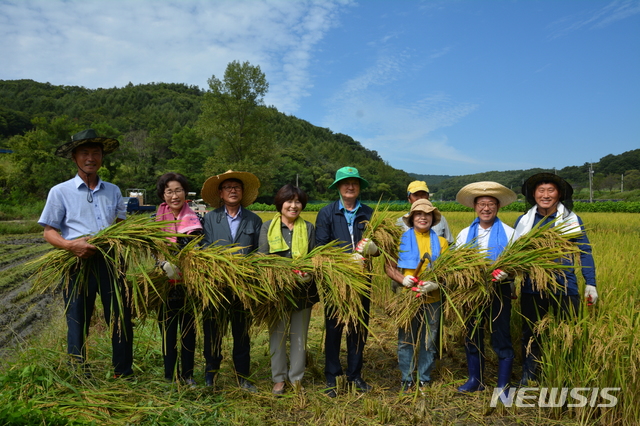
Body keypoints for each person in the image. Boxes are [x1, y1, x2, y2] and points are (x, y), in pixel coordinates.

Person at [38, 129, 134, 378]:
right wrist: (72, 246)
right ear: (74, 157)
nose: (90, 158)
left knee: (120, 316)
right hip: (76, 261)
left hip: (111, 261)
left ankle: (122, 372)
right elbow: (49, 232)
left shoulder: (113, 190)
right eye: (85, 153)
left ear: (102, 157)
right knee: (78, 317)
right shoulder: (60, 191)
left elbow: (121, 225)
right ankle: (78, 372)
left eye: (96, 153)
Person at [514, 173, 597, 386]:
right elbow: (513, 254)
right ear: (533, 195)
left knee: (568, 332)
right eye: (541, 191)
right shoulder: (524, 221)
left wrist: (590, 283)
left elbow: (584, 251)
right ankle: (530, 375)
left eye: (550, 190)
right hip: (532, 287)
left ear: (559, 194)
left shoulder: (571, 219)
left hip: (565, 287)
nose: (545, 195)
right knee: (531, 333)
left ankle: (566, 375)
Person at [315, 166, 379, 397]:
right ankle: (332, 376)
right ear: (338, 187)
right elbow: (321, 246)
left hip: (362, 281)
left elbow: (382, 246)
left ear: (359, 187)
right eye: (345, 183)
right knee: (334, 328)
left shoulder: (370, 213)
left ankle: (355, 375)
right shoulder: (327, 213)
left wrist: (374, 249)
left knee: (358, 329)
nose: (350, 186)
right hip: (336, 281)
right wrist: (345, 260)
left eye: (354, 182)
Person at [200, 170, 263, 392]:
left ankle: (242, 376)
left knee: (242, 332)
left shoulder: (254, 220)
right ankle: (211, 374)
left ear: (243, 192)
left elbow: (258, 253)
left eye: (237, 187)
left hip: (244, 288)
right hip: (216, 286)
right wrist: (222, 268)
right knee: (212, 330)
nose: (233, 190)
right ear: (220, 193)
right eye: (228, 187)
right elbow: (205, 247)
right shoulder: (209, 218)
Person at [454, 182, 517, 396]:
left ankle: (503, 385)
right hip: (472, 292)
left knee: (501, 335)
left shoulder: (510, 233)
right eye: (482, 204)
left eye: (490, 204)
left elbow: (519, 265)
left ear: (498, 207)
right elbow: (456, 263)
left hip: (500, 291)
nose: (486, 208)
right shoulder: (464, 235)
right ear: (475, 207)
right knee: (472, 334)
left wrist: (509, 273)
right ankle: (476, 379)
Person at [257, 184, 317, 395]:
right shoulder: (267, 227)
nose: (293, 206)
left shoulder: (308, 228)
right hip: (277, 292)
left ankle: (297, 378)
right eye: (289, 201)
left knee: (299, 336)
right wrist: (282, 275)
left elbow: (312, 257)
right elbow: (263, 258)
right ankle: (279, 379)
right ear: (280, 203)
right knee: (278, 335)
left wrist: (307, 273)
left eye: (298, 201)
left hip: (302, 290)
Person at [385, 199, 447, 392]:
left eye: (427, 214)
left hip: (433, 297)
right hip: (408, 297)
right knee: (406, 338)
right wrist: (403, 279)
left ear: (432, 218)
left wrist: (435, 283)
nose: (423, 217)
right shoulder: (400, 240)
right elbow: (389, 266)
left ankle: (425, 377)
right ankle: (407, 377)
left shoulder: (442, 242)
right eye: (418, 214)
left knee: (429, 339)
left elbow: (448, 271)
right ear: (412, 218)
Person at [155, 172, 203, 386]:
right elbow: (153, 249)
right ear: (163, 195)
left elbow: (200, 250)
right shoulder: (155, 221)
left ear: (185, 193)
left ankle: (188, 374)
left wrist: (186, 267)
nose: (174, 195)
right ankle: (170, 374)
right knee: (167, 331)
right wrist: (163, 264)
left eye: (178, 190)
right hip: (164, 284)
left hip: (189, 284)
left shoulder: (195, 219)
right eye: (169, 191)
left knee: (188, 331)